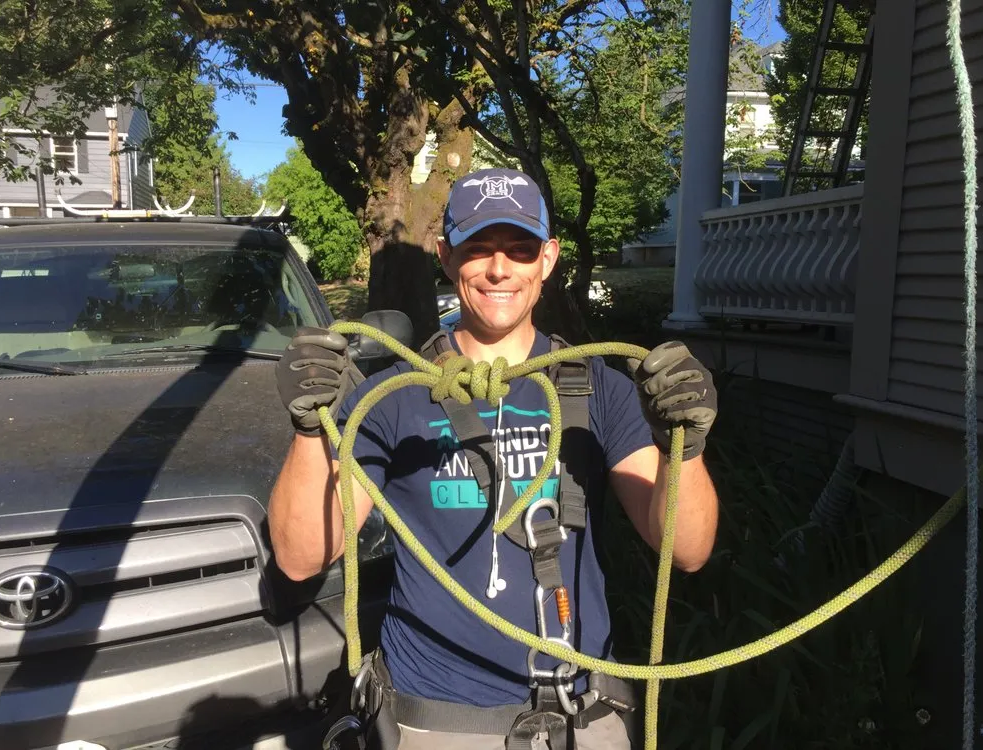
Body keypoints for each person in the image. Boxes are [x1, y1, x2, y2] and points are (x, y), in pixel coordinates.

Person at [269, 168, 720, 750]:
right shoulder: (394, 394)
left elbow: (687, 550)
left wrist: (685, 440)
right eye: (478, 248)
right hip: (436, 722)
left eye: (519, 247)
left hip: (582, 718)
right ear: (446, 256)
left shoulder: (598, 388)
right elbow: (302, 559)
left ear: (548, 259)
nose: (499, 268)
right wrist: (310, 427)